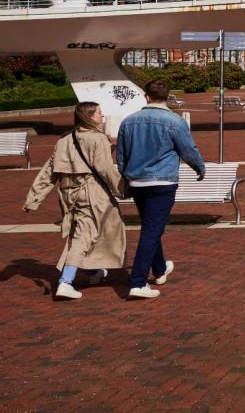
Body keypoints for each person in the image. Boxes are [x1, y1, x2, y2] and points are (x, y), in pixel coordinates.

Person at [23, 102, 127, 300]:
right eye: (99, 113)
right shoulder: (98, 139)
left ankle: (92, 271)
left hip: (67, 194)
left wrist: (34, 199)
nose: (102, 116)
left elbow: (48, 172)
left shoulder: (64, 140)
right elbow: (106, 170)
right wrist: (123, 190)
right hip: (92, 193)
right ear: (89, 116)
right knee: (86, 235)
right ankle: (66, 281)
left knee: (82, 232)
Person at [116, 80, 206, 300]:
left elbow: (120, 154)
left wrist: (126, 174)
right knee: (151, 231)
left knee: (151, 227)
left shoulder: (128, 122)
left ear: (146, 97)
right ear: (168, 97)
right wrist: (199, 168)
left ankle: (159, 269)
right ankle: (137, 281)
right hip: (163, 181)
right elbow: (188, 149)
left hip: (137, 181)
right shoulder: (174, 122)